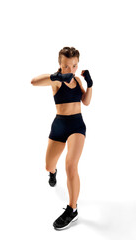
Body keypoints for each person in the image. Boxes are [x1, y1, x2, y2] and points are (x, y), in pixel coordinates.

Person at [31, 46, 93, 230]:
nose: (70, 70)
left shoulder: (77, 80)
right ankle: (52, 172)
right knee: (49, 165)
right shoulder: (57, 80)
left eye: (74, 66)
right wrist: (57, 76)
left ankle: (72, 209)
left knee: (71, 165)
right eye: (66, 66)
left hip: (76, 126)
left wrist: (89, 85)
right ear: (60, 64)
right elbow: (34, 81)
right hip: (59, 126)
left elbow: (86, 102)